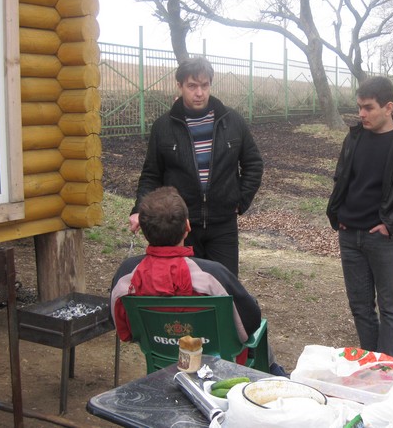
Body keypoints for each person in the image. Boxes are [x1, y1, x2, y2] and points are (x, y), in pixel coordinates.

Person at [111, 186, 287, 376]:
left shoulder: (126, 274)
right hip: (217, 361)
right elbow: (249, 325)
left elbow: (123, 329)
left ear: (144, 231)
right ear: (187, 227)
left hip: (161, 359)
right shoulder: (212, 274)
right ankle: (277, 374)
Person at [326, 76, 393, 360]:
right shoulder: (354, 137)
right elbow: (342, 178)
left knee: (390, 308)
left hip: (385, 240)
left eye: (368, 107)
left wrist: (391, 225)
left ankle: (389, 371)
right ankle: (370, 365)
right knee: (360, 307)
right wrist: (339, 214)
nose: (361, 114)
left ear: (388, 107)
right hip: (350, 235)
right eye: (359, 107)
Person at [129, 56, 263, 277]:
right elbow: (152, 175)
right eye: (192, 86)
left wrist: (240, 200)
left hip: (223, 225)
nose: (199, 93)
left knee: (224, 285)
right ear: (180, 85)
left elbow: (253, 164)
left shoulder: (232, 121)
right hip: (181, 227)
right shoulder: (163, 127)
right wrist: (138, 209)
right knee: (185, 286)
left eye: (204, 85)